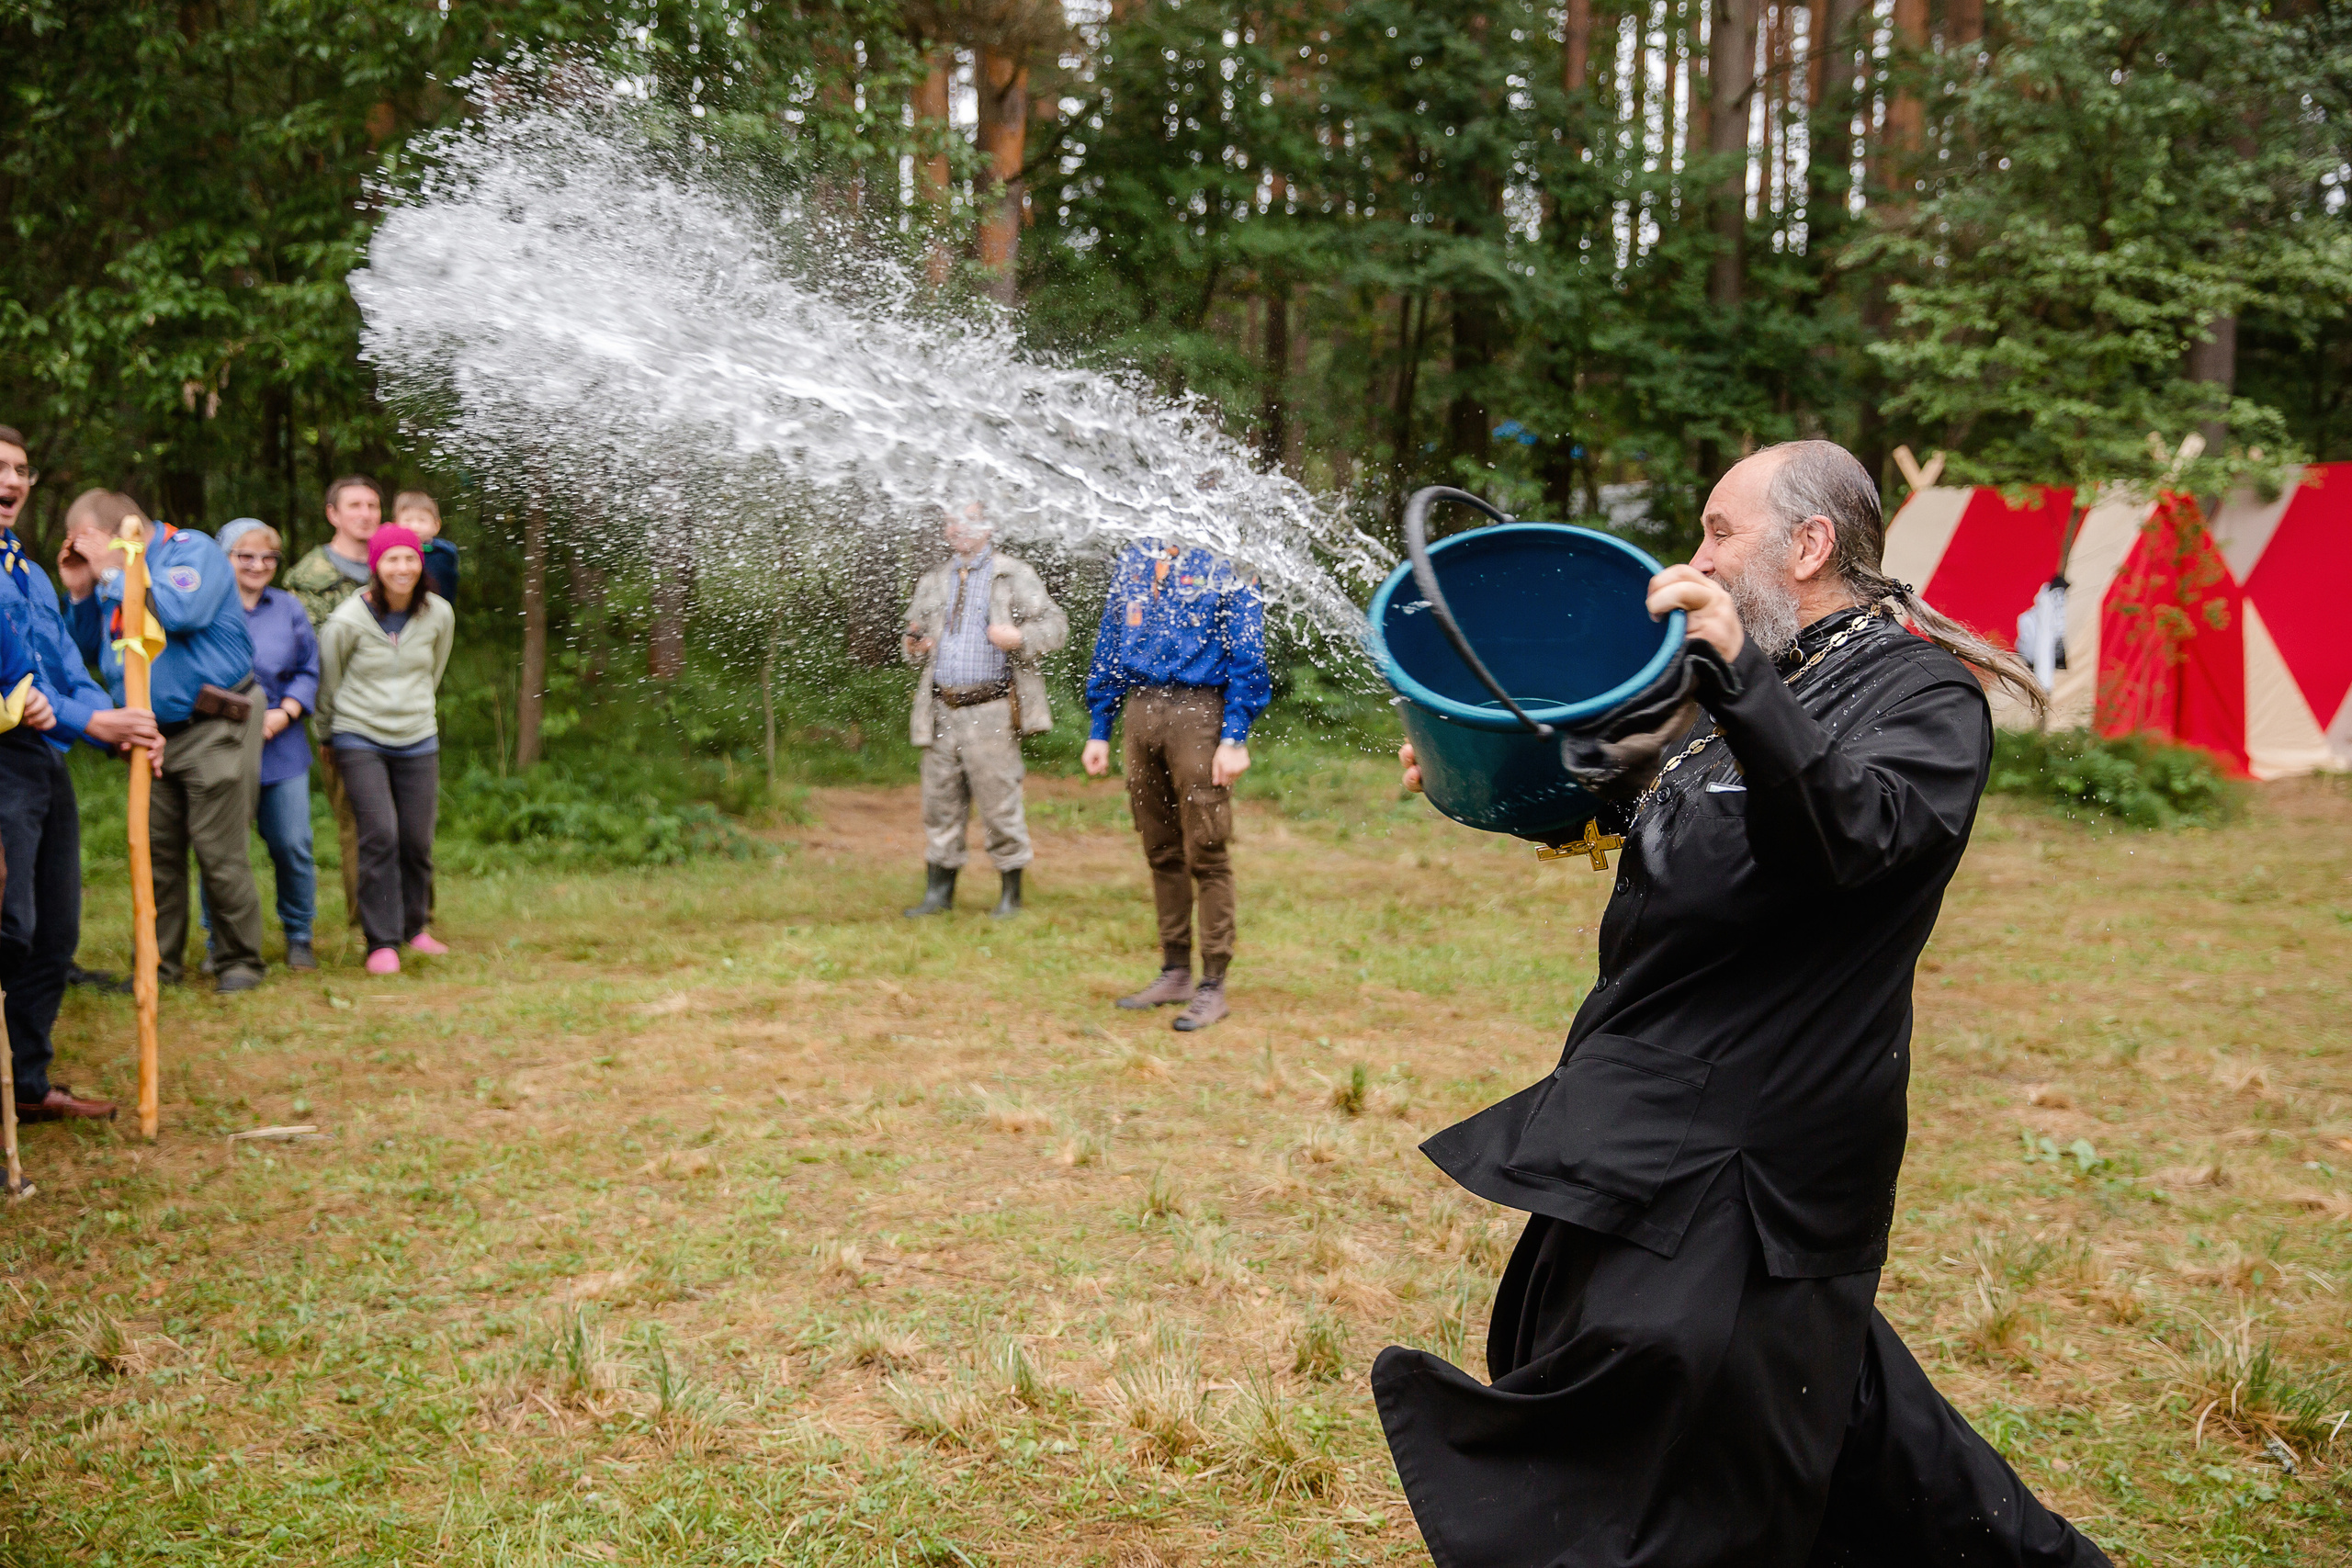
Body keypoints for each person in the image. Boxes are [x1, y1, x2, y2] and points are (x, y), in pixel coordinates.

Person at [1374, 442, 2107, 1568]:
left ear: (1809, 546)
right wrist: (1479, 779)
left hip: (1756, 1157)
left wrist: (1740, 683)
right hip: (1651, 1108)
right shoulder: (1743, 684)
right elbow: (1638, 805)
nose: (1699, 556)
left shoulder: (1920, 695)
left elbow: (1848, 838)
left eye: (1721, 531)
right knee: (1849, 1434)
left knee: (1656, 1414)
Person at [0, 426, 151, 1120]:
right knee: (10, 928)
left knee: (54, 932)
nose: (11, 480)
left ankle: (26, 1084)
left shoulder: (29, 575)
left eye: (21, 470)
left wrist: (117, 724)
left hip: (43, 759)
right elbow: (19, 689)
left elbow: (64, 666)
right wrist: (91, 721)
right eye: (0, 467)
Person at [62, 491, 267, 992]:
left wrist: (112, 573)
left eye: (83, 542)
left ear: (112, 534)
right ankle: (158, 966)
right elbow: (87, 647)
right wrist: (82, 592)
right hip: (151, 737)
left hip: (213, 726)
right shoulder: (113, 576)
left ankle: (239, 960)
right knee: (157, 855)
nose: (82, 553)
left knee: (219, 853)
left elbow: (178, 613)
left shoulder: (189, 551)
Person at [1080, 536, 1269, 1032]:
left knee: (1206, 849)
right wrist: (1100, 727)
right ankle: (1175, 971)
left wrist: (1234, 735)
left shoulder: (1226, 560)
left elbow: (1248, 651)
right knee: (1160, 848)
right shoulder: (1135, 559)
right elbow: (1110, 642)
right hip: (1140, 711)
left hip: (1198, 712)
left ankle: (1213, 985)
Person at [899, 502, 1069, 919]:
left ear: (989, 526)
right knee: (939, 804)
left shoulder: (1013, 575)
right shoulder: (933, 580)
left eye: (968, 520)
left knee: (999, 805)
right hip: (940, 710)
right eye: (951, 520)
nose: (958, 528)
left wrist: (1019, 637)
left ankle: (1011, 894)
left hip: (992, 709)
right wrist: (915, 646)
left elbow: (1056, 627)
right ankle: (938, 894)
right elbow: (911, 642)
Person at [315, 524, 453, 976]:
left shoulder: (439, 614)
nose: (402, 567)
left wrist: (416, 709)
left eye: (410, 558)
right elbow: (329, 682)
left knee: (416, 839)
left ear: (420, 564)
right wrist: (327, 734)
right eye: (392, 559)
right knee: (380, 836)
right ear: (376, 566)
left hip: (418, 737)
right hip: (359, 736)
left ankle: (416, 927)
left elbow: (434, 671)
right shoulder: (346, 621)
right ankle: (381, 941)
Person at [217, 519, 321, 970]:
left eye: (268, 557)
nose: (258, 565)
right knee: (222, 848)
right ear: (225, 559)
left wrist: (285, 712)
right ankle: (222, 940)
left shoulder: (289, 608)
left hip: (282, 743)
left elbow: (309, 668)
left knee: (292, 842)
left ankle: (299, 934)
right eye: (246, 556)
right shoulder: (208, 608)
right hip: (221, 742)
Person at [286, 474, 381, 929]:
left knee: (406, 821)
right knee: (359, 822)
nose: (365, 514)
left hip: (400, 714)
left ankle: (414, 917)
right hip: (345, 719)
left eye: (372, 505)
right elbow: (310, 658)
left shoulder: (395, 564)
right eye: (354, 505)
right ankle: (370, 924)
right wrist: (326, 729)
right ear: (333, 514)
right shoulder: (308, 579)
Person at [390, 491, 459, 607]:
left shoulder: (443, 553)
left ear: (436, 525)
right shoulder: (390, 553)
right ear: (396, 524)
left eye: (422, 520)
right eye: (408, 520)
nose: (415, 526)